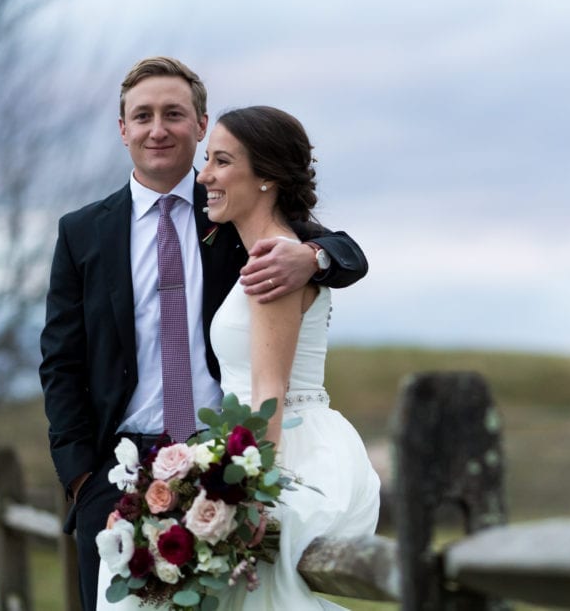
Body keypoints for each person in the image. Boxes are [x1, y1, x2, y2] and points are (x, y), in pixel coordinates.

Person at [39, 57, 369, 611]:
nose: (157, 128)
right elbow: (60, 360)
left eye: (174, 113)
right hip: (119, 474)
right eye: (142, 115)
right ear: (123, 130)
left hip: (222, 460)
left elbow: (345, 251)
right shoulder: (81, 232)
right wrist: (81, 478)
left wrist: (312, 257)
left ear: (200, 123)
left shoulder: (232, 206)